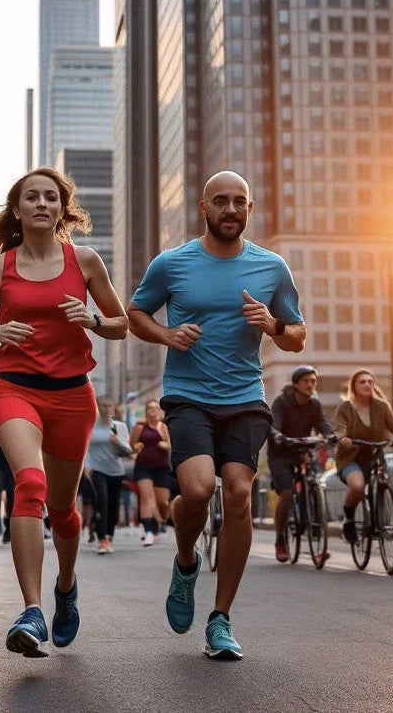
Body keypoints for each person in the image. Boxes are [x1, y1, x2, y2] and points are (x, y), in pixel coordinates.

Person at [127, 171, 306, 661]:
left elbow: (297, 336)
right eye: (221, 201)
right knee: (199, 490)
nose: (231, 209)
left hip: (245, 396)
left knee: (242, 492)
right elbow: (136, 313)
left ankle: (221, 618)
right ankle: (186, 561)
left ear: (250, 209)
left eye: (239, 202)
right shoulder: (173, 263)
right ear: (203, 208)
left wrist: (272, 325)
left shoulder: (271, 268)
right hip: (188, 396)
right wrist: (167, 335)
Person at [0, 167, 128, 657]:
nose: (41, 204)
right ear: (18, 209)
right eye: (31, 197)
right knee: (28, 486)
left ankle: (66, 586)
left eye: (50, 197)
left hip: (73, 397)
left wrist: (93, 320)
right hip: (15, 390)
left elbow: (121, 325)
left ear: (61, 209)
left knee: (64, 511)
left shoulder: (87, 261)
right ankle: (32, 610)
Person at [332, 369, 393, 543]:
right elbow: (340, 427)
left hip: (375, 456)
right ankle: (349, 519)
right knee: (358, 486)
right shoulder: (346, 407)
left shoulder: (381, 406)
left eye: (370, 381)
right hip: (350, 458)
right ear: (354, 386)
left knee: (382, 482)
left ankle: (378, 519)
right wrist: (342, 438)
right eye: (362, 382)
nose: (367, 384)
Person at [268, 365, 333, 563]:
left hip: (303, 452)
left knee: (314, 482)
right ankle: (280, 538)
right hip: (281, 453)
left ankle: (316, 534)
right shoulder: (282, 402)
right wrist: (277, 435)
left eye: (313, 381)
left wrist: (330, 435)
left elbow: (322, 424)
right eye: (306, 381)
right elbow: (273, 424)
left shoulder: (314, 404)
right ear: (295, 384)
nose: (310, 384)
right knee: (287, 492)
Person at [84, 396, 133, 554]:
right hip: (96, 469)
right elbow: (84, 448)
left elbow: (128, 452)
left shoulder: (119, 427)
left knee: (112, 505)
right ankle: (102, 539)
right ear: (97, 407)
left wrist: (117, 442)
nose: (106, 409)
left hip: (116, 471)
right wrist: (86, 466)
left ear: (114, 408)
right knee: (101, 500)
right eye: (103, 406)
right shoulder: (90, 425)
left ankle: (108, 534)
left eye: (109, 406)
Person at [129, 398, 172, 547]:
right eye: (150, 409)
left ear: (160, 412)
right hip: (143, 467)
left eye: (156, 409)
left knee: (163, 503)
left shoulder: (164, 427)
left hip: (161, 468)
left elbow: (170, 444)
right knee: (146, 498)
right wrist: (137, 446)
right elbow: (132, 445)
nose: (153, 412)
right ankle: (148, 532)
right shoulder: (140, 427)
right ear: (146, 412)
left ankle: (161, 522)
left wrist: (165, 445)